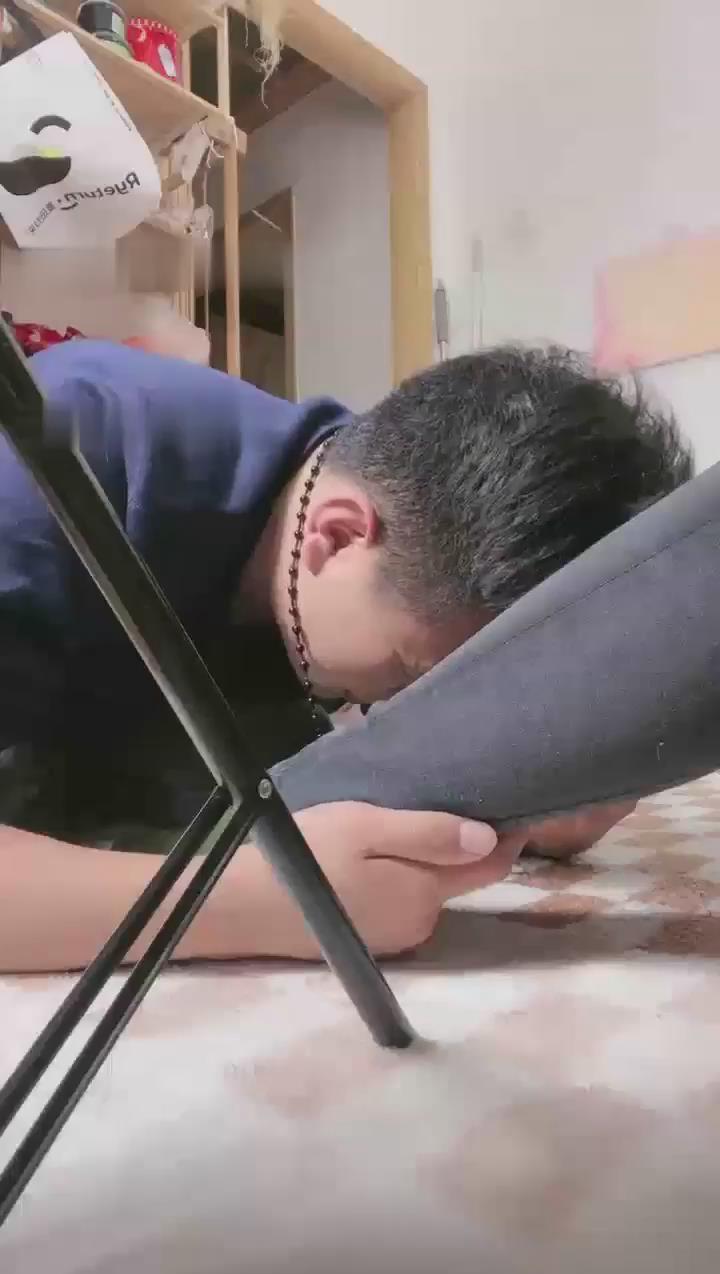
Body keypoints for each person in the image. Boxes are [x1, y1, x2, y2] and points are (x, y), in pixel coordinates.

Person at [0, 341, 692, 972]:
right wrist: (266, 900)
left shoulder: (402, 513)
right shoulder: (45, 468)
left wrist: (543, 776)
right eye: (412, 678)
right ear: (336, 537)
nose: (406, 712)